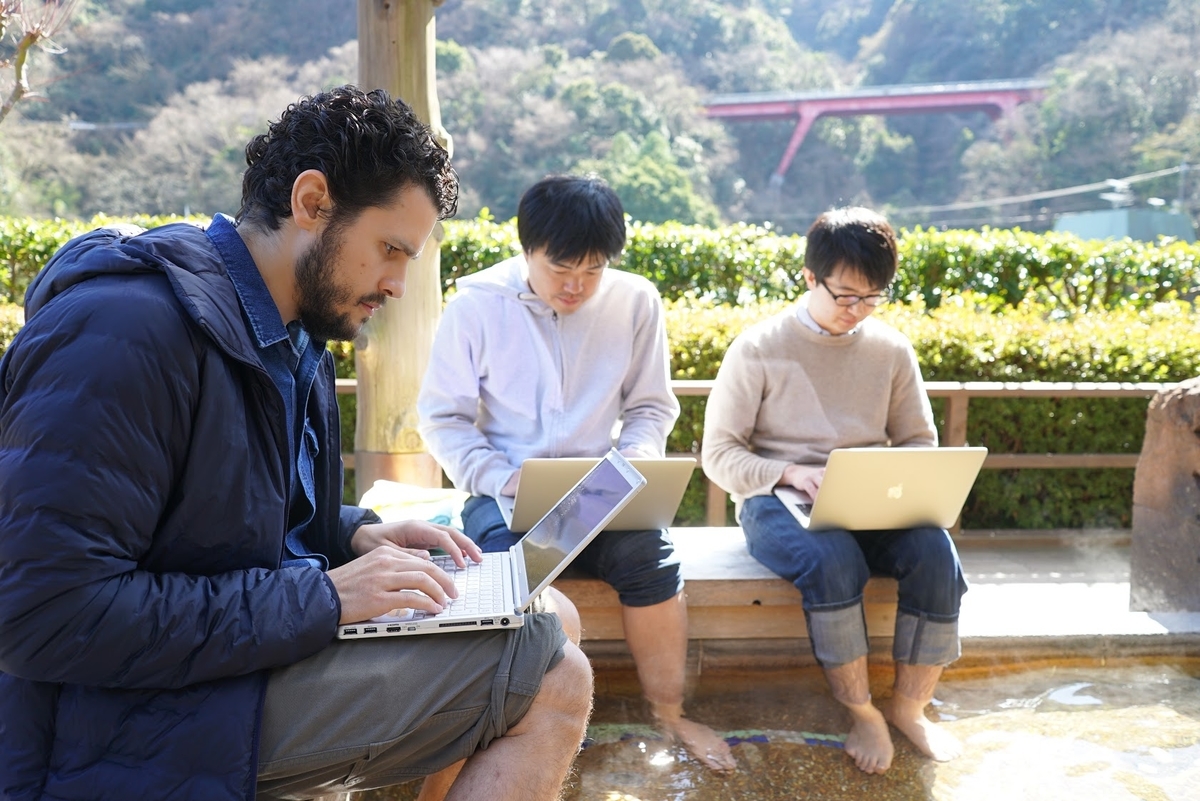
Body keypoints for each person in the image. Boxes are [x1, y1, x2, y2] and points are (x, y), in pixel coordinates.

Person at [0, 85, 593, 801]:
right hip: (123, 720)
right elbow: (42, 616)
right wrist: (319, 596)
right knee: (554, 670)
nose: (400, 284)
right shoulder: (124, 333)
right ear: (312, 202)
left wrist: (354, 536)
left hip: (223, 672)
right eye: (391, 249)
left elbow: (220, 516)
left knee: (550, 611)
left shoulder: (293, 336)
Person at [417, 175, 737, 772]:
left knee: (652, 559)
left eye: (593, 270)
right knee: (516, 580)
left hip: (601, 486)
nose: (576, 286)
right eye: (561, 267)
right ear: (526, 248)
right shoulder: (476, 305)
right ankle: (537, 722)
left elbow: (650, 406)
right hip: (505, 488)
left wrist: (635, 460)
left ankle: (669, 713)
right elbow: (443, 417)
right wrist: (502, 475)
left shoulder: (635, 300)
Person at [701, 206, 967, 775]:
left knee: (936, 554)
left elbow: (919, 442)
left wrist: (891, 482)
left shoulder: (891, 351)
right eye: (845, 296)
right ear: (808, 277)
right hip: (778, 501)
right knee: (833, 559)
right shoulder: (758, 348)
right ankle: (862, 709)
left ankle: (910, 706)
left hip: (872, 500)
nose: (857, 312)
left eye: (873, 298)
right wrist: (789, 474)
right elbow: (719, 456)